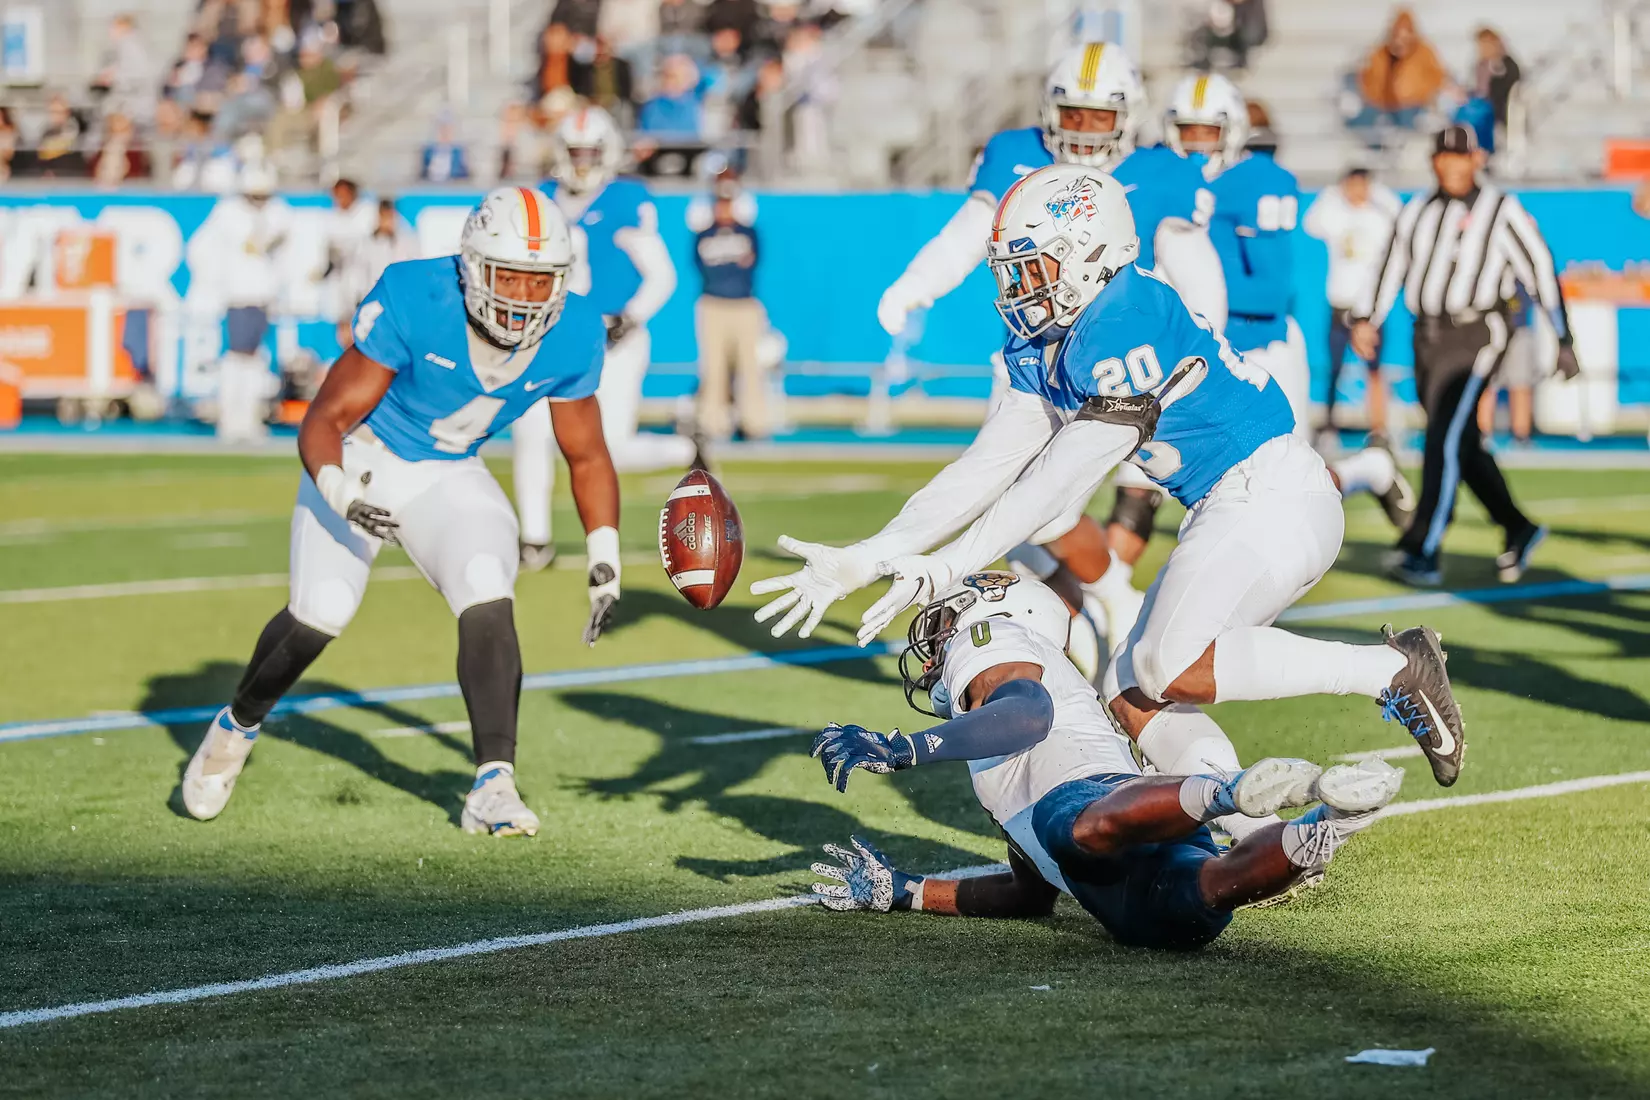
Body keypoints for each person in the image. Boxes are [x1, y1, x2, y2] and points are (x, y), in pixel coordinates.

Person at [833, 165, 1467, 845]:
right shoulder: (1057, 343)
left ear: (1088, 253)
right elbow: (987, 468)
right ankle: (1255, 834)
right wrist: (873, 552)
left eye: (1032, 268)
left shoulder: (1123, 319)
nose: (1018, 289)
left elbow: (1051, 483)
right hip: (1243, 503)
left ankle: (1391, 670)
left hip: (1268, 493)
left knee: (1167, 663)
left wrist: (949, 562)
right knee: (1132, 690)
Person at [181, 186, 622, 836]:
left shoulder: (576, 331)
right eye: (510, 278)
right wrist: (341, 493)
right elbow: (325, 418)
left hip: (447, 473)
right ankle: (236, 726)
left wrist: (605, 556)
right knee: (323, 609)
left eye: (540, 283)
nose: (524, 299)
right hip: (362, 456)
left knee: (485, 582)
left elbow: (585, 453)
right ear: (473, 268)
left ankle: (492, 783)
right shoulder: (420, 296)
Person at [842, 42, 1226, 654]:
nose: (1082, 129)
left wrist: (1207, 331)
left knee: (1055, 504)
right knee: (1031, 508)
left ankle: (1087, 606)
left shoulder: (1162, 172)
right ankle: (1092, 602)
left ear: (1128, 115)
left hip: (1125, 369)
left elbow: (1190, 260)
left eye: (1098, 116)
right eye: (1072, 113)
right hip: (1034, 362)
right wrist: (916, 285)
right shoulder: (1014, 154)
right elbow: (968, 234)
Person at [805, 572, 1405, 945]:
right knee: (1209, 895)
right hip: (1121, 879)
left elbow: (1029, 713)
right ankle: (1333, 822)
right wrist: (906, 892)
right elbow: (1030, 894)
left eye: (943, 625)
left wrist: (906, 747)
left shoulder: (989, 640)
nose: (934, 646)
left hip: (1094, 799)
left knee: (1082, 828)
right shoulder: (987, 742)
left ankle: (1225, 791)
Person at [1171, 73, 1413, 529]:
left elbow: (1270, 289)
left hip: (1258, 344)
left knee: (1291, 488)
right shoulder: (1168, 179)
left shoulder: (1258, 181)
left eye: (1208, 131)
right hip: (1195, 347)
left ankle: (1370, 471)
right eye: (1186, 129)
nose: (1195, 143)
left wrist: (1185, 296)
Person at [1351, 125, 1579, 586]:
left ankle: (1423, 546)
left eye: (1462, 157)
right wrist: (1366, 317)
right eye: (1445, 157)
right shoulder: (1415, 209)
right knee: (1461, 441)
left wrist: (1563, 337)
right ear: (1434, 160)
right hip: (1427, 335)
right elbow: (1390, 264)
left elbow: (1538, 267)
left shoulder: (1501, 209)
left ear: (1477, 159)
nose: (1453, 166)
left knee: (1444, 438)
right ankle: (1519, 526)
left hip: (1478, 331)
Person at [512, 105, 692, 572]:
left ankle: (686, 448)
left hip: (613, 341)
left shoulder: (625, 200)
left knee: (609, 446)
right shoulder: (541, 199)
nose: (583, 160)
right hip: (551, 337)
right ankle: (534, 539)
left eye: (591, 151)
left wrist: (629, 317)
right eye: (575, 151)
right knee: (531, 432)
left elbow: (662, 276)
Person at [188, 163, 291, 443]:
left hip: (263, 296)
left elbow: (280, 252)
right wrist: (219, 284)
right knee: (238, 356)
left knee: (253, 357)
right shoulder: (228, 214)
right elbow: (202, 250)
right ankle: (232, 419)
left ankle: (247, 418)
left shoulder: (277, 212)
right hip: (239, 295)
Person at [1303, 165, 1402, 437]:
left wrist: (1375, 190)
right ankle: (1330, 423)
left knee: (1374, 368)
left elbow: (1400, 219)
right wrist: (1334, 190)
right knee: (1335, 367)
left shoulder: (1378, 216)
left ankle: (1378, 426)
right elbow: (1311, 223)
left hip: (1369, 309)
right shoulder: (1337, 214)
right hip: (1341, 304)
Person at [693, 188, 765, 441]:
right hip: (713, 304)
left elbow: (752, 261)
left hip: (744, 304)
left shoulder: (748, 233)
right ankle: (713, 424)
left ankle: (754, 423)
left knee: (750, 367)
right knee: (713, 368)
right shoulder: (704, 234)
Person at [1350, 8, 1445, 134]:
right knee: (1365, 120)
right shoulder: (1379, 54)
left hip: (1414, 107)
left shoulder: (1425, 52)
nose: (1401, 39)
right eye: (1397, 34)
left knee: (1408, 121)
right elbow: (1367, 80)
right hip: (1382, 106)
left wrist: (1420, 97)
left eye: (1406, 33)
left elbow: (1437, 78)